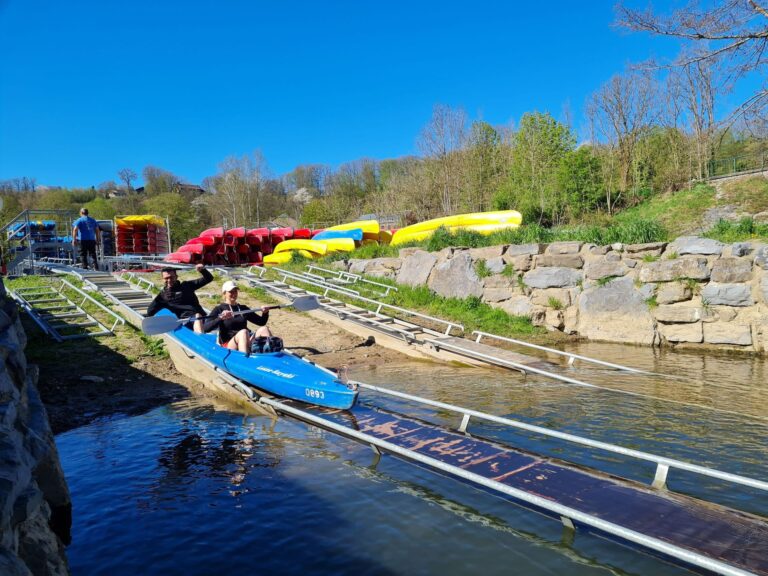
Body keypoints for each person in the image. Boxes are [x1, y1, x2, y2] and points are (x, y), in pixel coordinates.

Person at [204, 280, 272, 353]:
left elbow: (261, 322)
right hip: (228, 343)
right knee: (243, 332)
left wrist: (265, 313)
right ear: (224, 294)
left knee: (264, 329)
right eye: (231, 292)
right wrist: (220, 318)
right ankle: (244, 359)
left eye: (235, 291)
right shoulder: (219, 309)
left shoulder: (243, 308)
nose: (234, 294)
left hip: (246, 339)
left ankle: (272, 356)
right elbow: (206, 328)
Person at [146, 264, 213, 333]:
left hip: (202, 317)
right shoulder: (162, 296)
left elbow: (209, 278)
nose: (169, 280)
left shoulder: (187, 285)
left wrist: (203, 270)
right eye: (166, 278)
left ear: (176, 277)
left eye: (171, 277)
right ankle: (201, 337)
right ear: (162, 279)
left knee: (203, 314)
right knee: (197, 316)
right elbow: (150, 311)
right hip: (185, 321)